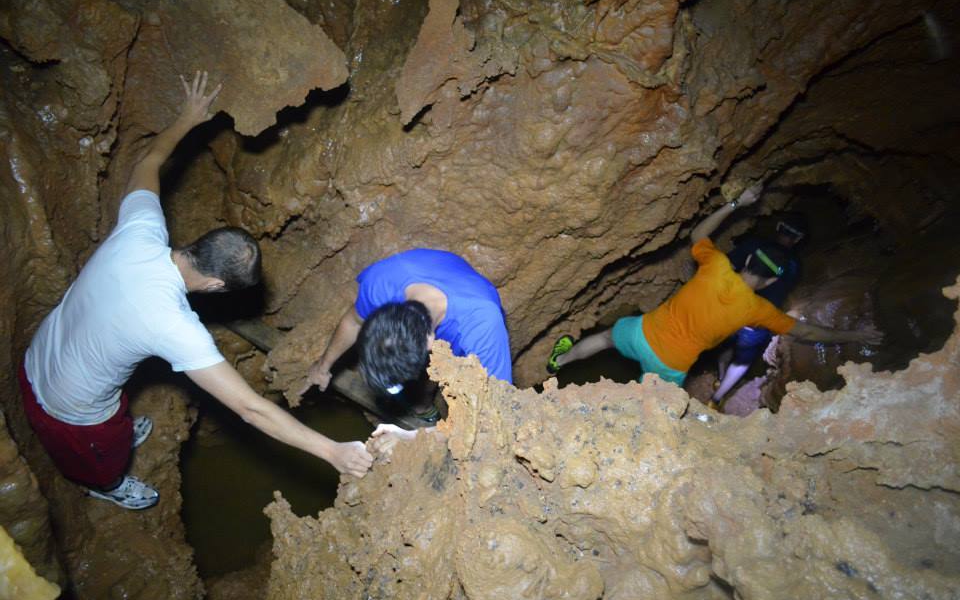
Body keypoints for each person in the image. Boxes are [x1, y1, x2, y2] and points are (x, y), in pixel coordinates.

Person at [18, 72, 372, 510]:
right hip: (71, 413)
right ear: (216, 286)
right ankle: (106, 485)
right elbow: (251, 408)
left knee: (114, 396)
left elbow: (149, 160)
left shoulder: (140, 229)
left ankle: (122, 431)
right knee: (101, 458)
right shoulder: (174, 325)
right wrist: (332, 452)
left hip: (39, 354)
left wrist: (189, 116)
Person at [545, 184, 882, 388]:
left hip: (640, 333)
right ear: (774, 280)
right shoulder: (758, 309)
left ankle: (559, 361)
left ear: (747, 262)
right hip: (670, 364)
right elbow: (807, 333)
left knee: (604, 338)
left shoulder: (716, 265)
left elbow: (698, 236)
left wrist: (737, 204)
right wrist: (853, 336)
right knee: (645, 400)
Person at [301, 249, 511, 422]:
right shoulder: (381, 282)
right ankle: (423, 404)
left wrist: (418, 437)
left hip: (469, 301)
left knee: (441, 380)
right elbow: (354, 321)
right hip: (432, 267)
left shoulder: (482, 331)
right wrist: (322, 367)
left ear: (431, 345)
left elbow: (495, 409)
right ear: (383, 309)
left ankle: (424, 402)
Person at [709, 213, 807, 409]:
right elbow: (786, 291)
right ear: (798, 239)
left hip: (732, 309)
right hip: (758, 322)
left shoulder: (753, 245)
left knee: (725, 345)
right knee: (743, 358)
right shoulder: (794, 266)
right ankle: (717, 398)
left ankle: (719, 377)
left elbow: (725, 267)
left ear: (778, 228)